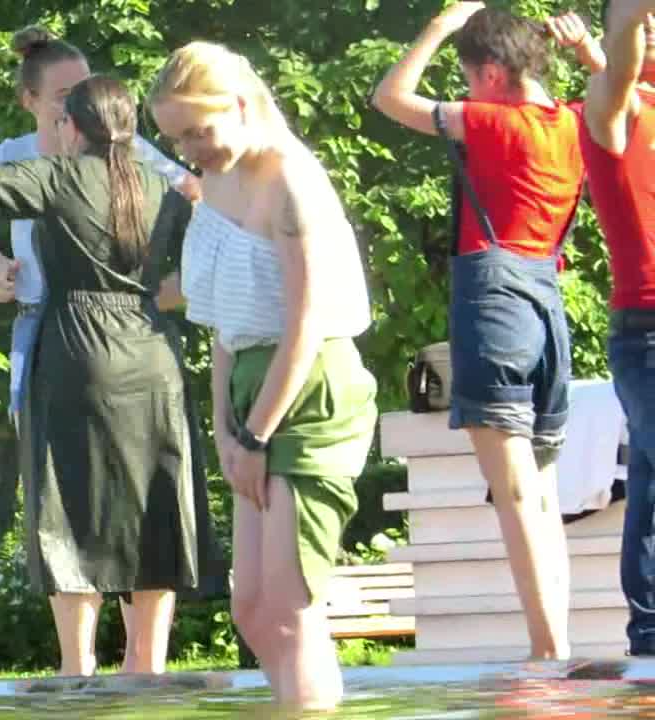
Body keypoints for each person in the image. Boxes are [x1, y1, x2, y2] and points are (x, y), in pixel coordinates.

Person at [0, 25, 218, 674]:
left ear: (72, 127)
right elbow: (216, 230)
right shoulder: (157, 182)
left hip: (76, 349)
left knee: (71, 504)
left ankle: (78, 668)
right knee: (154, 502)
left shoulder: (55, 176)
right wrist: (172, 292)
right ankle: (147, 667)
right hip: (152, 353)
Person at [150, 42, 377, 709]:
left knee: (287, 604)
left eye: (199, 131)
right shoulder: (216, 184)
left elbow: (306, 325)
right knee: (250, 609)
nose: (192, 151)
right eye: (177, 139)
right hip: (250, 387)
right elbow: (224, 322)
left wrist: (254, 435)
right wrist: (226, 430)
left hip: (311, 388)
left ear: (242, 105)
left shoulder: (291, 182)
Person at [371, 2, 592, 661]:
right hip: (547, 304)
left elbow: (391, 97)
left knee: (516, 493)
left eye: (470, 76)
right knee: (542, 493)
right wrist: (590, 56)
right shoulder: (575, 123)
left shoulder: (491, 121)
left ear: (491, 73)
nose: (468, 88)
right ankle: (557, 646)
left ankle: (546, 653)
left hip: (495, 301)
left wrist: (440, 26)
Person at [580, 0, 655, 656]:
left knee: (652, 483)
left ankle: (650, 635)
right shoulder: (612, 104)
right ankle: (651, 634)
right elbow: (624, 54)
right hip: (648, 327)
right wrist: (631, 17)